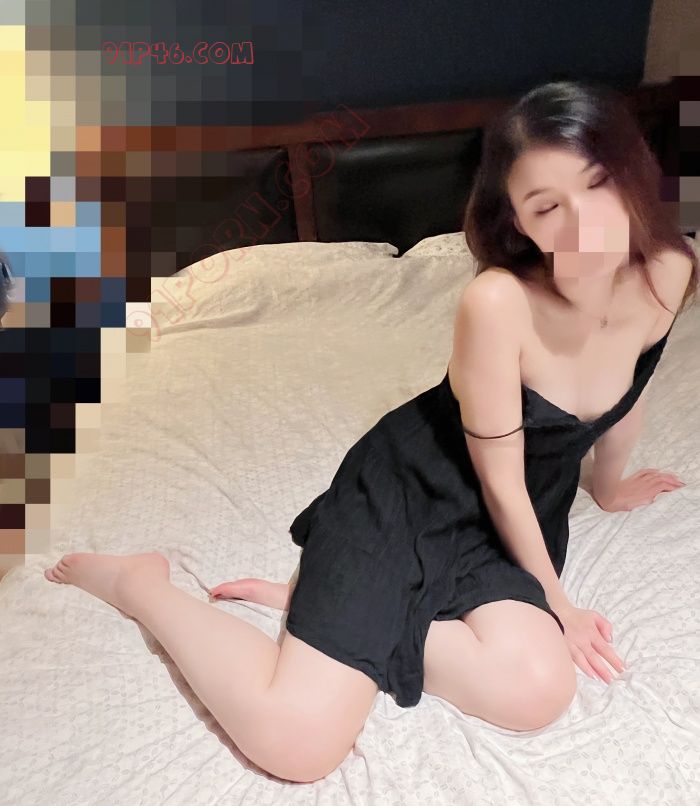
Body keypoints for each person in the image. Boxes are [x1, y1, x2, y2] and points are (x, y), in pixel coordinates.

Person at [44, 80, 696, 784]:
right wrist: (560, 605)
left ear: (630, 169)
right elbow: (500, 480)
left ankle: (338, 611)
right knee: (298, 745)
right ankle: (142, 585)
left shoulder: (670, 269)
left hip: (515, 517)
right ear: (520, 225)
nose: (583, 222)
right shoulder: (498, 303)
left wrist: (607, 485)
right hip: (413, 491)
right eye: (546, 206)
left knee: (538, 691)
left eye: (596, 182)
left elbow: (627, 387)